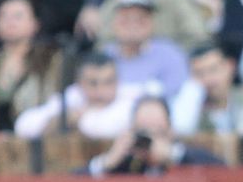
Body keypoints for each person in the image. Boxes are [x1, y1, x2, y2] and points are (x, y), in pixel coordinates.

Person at [0, 0, 64, 131]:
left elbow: (54, 102)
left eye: (18, 16)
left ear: (35, 24)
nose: (10, 22)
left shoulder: (49, 60)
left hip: (36, 137)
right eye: (3, 16)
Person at [82, 93, 225, 174]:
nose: (150, 142)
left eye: (158, 133)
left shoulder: (187, 159)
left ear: (170, 131)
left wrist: (172, 154)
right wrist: (107, 162)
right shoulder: (124, 164)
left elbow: (223, 173)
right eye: (143, 134)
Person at [13, 51, 146, 138]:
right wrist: (57, 120)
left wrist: (75, 118)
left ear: (118, 81)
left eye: (108, 82)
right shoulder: (73, 95)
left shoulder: (131, 96)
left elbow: (106, 129)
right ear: (80, 83)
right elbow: (23, 125)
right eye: (93, 83)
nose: (101, 91)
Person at [99, 0, 190, 97]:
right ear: (114, 23)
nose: (133, 25)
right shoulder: (104, 56)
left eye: (140, 19)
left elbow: (180, 96)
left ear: (152, 23)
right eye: (126, 19)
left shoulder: (170, 54)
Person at [172, 44, 243, 134]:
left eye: (213, 70)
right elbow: (180, 131)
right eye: (199, 73)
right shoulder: (189, 107)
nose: (208, 79)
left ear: (230, 66)